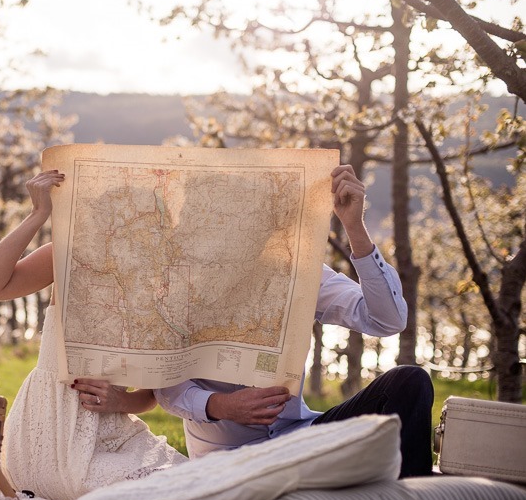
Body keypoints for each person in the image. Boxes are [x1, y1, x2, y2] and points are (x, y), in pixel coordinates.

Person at [154, 164, 434, 478]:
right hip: (228, 459)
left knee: (409, 381)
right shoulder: (170, 288)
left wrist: (355, 227)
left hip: (300, 438)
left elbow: (388, 320)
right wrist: (222, 406)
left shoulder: (294, 273)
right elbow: (166, 386)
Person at [0, 169, 186, 500]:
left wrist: (120, 402)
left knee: (191, 482)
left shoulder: (162, 293)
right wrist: (38, 215)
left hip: (115, 433)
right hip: (51, 428)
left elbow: (150, 395)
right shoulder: (71, 258)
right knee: (153, 495)